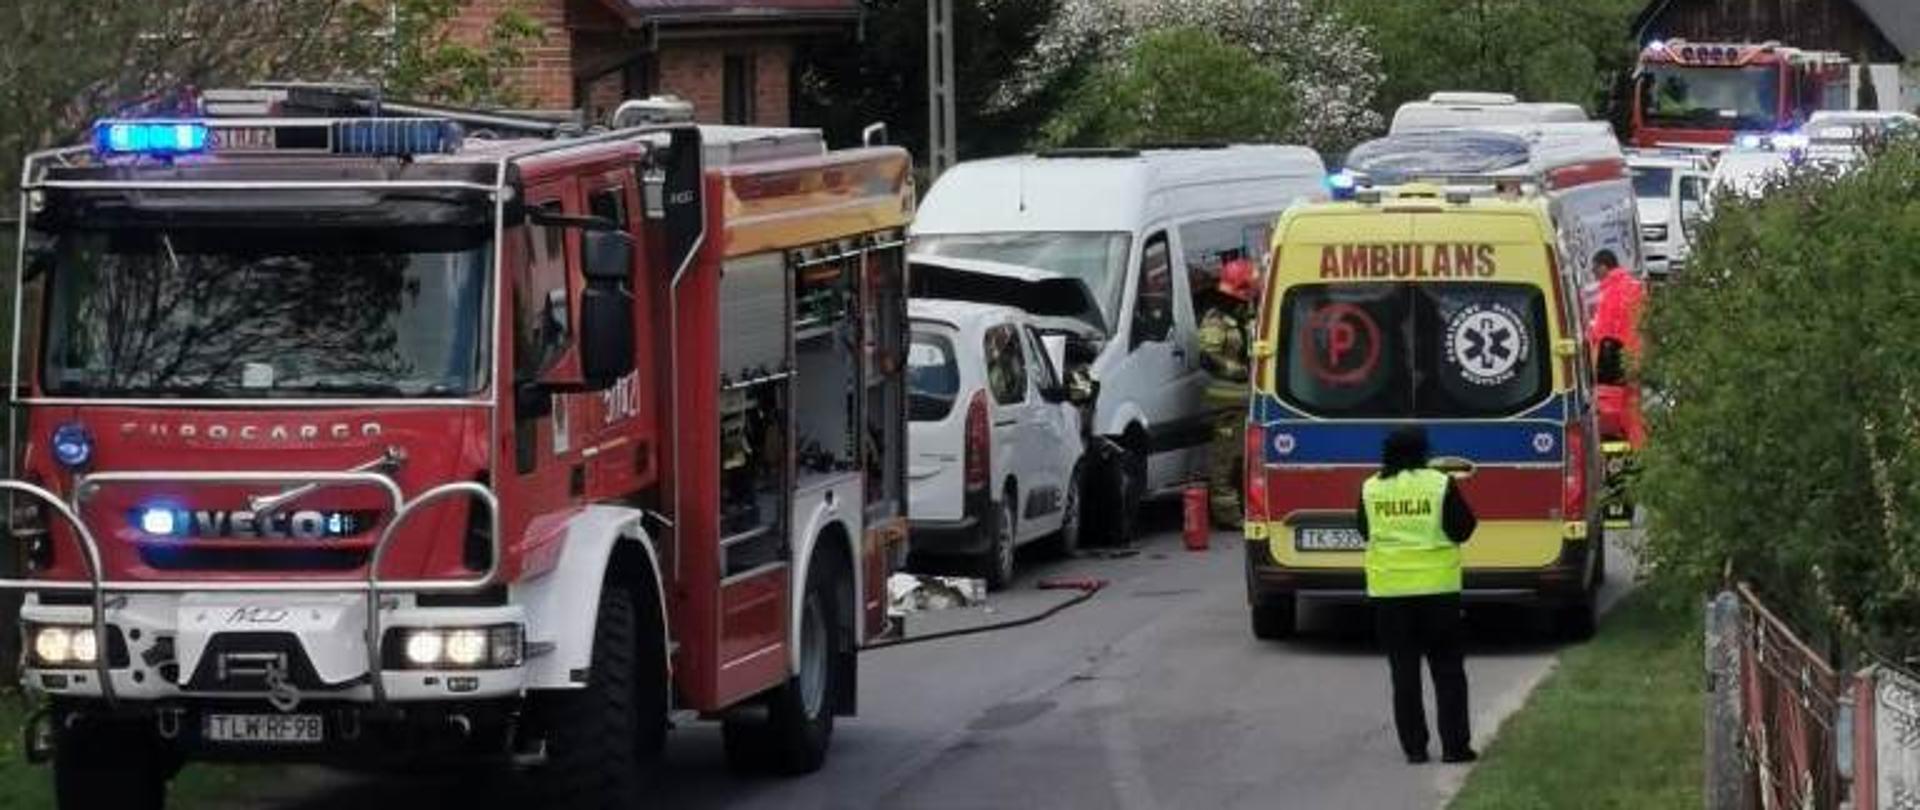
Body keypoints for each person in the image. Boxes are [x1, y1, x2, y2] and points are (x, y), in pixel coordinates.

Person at [1355, 426, 1478, 765]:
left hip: (1390, 592)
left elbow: (1364, 530)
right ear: (1424, 451)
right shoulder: (1439, 484)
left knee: (1404, 673)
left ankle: (1415, 748)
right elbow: (1464, 528)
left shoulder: (1371, 488)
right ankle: (1455, 748)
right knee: (1448, 671)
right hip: (1438, 591)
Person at [1196, 252, 1259, 527]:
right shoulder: (1216, 320)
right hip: (1225, 402)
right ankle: (1227, 515)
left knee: (1248, 459)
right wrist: (1235, 370)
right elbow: (1207, 357)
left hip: (1251, 400)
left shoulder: (1247, 315)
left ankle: (1248, 509)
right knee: (1225, 461)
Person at [1586, 250, 1646, 448]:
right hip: (1636, 356)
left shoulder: (1609, 292)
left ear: (1603, 266)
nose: (1594, 275)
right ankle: (1640, 451)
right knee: (1633, 407)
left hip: (1613, 358)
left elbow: (1603, 331)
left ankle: (1616, 456)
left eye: (1595, 269)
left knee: (1609, 409)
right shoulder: (1636, 287)